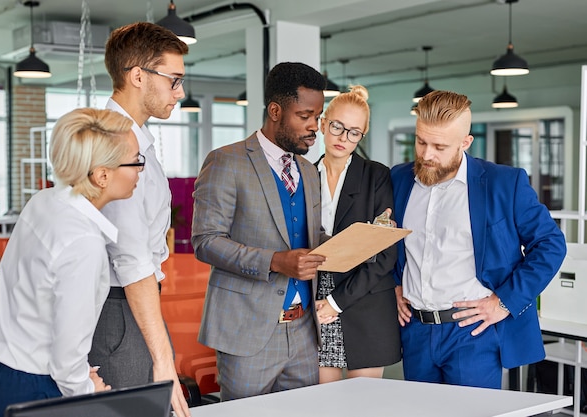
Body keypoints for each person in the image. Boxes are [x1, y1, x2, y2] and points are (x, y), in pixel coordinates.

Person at [0, 108, 141, 417]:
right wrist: (89, 392)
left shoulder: (43, 202)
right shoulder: (84, 243)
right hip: (26, 388)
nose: (140, 171)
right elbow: (66, 362)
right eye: (136, 161)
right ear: (101, 175)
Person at [391, 90, 567, 389]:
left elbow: (551, 244)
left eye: (440, 146)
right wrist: (394, 285)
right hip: (416, 332)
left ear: (465, 142)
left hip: (472, 333)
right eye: (421, 141)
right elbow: (389, 243)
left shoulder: (504, 183)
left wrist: (504, 302)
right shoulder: (399, 179)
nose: (426, 154)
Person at [191, 62, 327, 401]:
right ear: (276, 111)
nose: (314, 128)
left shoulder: (309, 171)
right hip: (246, 332)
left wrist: (360, 236)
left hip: (304, 332)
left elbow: (307, 236)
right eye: (305, 116)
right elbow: (205, 242)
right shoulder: (227, 161)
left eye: (318, 118)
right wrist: (275, 262)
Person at [87, 22, 190, 416]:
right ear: (137, 76)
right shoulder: (114, 144)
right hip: (120, 312)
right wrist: (163, 358)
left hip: (132, 307)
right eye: (173, 80)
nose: (179, 92)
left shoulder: (134, 139)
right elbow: (130, 262)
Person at [314, 85, 401, 383]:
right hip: (315, 300)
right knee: (321, 406)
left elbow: (384, 253)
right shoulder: (303, 175)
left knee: (361, 408)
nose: (343, 138)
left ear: (362, 135)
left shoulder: (377, 176)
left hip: (363, 300)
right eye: (337, 127)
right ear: (323, 123)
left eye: (354, 132)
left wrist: (335, 302)